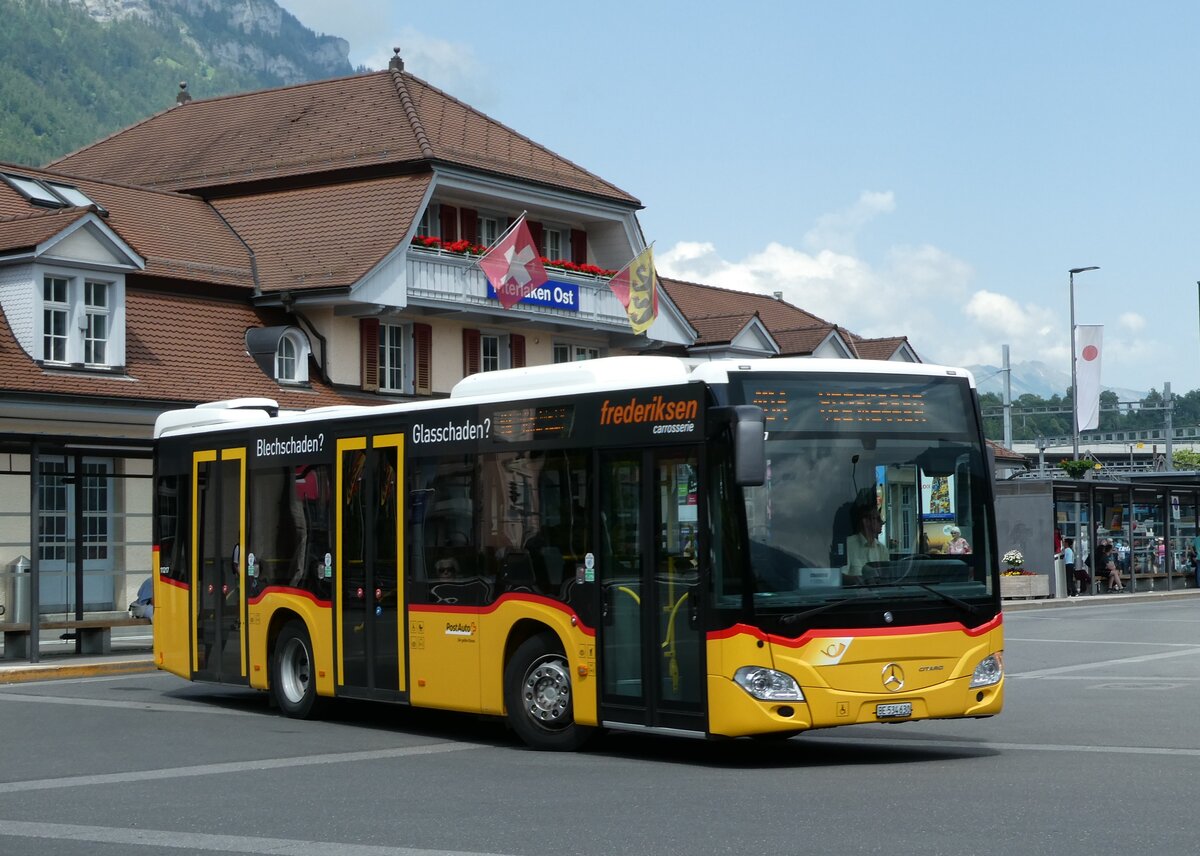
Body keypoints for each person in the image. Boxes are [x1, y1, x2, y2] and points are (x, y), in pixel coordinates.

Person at [845, 501, 888, 583]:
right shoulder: (848, 545)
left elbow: (887, 578)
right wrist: (863, 580)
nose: (882, 522)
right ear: (866, 521)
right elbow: (840, 576)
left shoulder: (882, 550)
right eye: (878, 519)